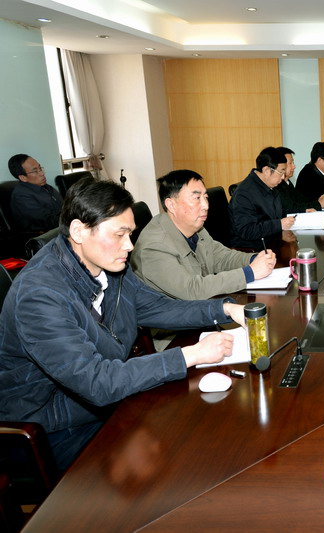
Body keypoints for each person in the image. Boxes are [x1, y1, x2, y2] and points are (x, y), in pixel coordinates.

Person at [0, 178, 245, 470]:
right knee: (181, 458)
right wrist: (191, 354)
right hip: (50, 429)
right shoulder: (40, 297)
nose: (129, 246)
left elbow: (156, 306)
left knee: (205, 432)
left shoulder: (108, 264)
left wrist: (225, 309)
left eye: (130, 234)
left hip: (101, 403)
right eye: (119, 234)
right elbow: (97, 383)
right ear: (79, 231)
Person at [131, 169, 277, 300]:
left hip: (201, 306)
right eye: (196, 198)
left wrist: (254, 259)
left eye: (205, 197)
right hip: (171, 318)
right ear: (171, 205)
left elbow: (221, 257)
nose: (206, 206)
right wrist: (249, 273)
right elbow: (191, 290)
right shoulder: (154, 246)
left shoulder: (195, 227)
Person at [229, 147, 296, 249]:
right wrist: (279, 224)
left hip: (273, 241)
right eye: (281, 172)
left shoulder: (270, 185)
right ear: (267, 171)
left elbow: (279, 212)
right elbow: (247, 230)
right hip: (252, 250)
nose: (283, 177)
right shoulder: (244, 194)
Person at [7, 153, 63, 231]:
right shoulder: (21, 196)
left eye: (40, 168)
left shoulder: (45, 186)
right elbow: (49, 222)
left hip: (62, 227)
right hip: (45, 235)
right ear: (23, 178)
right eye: (35, 171)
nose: (42, 173)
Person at [275, 146, 324, 213]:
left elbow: (302, 200)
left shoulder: (288, 183)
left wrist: (319, 201)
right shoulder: (278, 186)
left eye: (293, 162)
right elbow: (292, 208)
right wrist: (319, 204)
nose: (294, 166)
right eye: (290, 163)